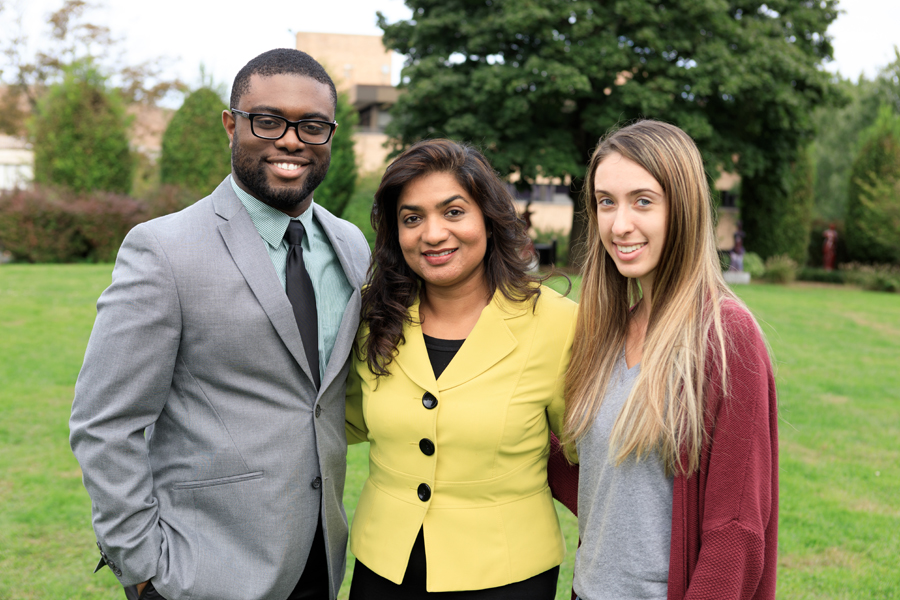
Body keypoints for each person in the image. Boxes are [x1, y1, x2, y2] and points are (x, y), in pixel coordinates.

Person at [69, 48, 370, 600]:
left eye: (312, 126)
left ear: (329, 135)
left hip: (320, 561)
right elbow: (104, 423)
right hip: (199, 572)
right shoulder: (163, 249)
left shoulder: (351, 245)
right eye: (268, 120)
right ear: (232, 125)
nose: (290, 139)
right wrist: (141, 569)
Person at [552, 120, 778, 600]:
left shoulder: (725, 337)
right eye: (605, 202)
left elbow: (734, 532)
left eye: (643, 201)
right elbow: (605, 484)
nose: (619, 224)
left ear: (684, 208)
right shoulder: (608, 331)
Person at [344, 139, 577, 599]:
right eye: (412, 218)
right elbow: (341, 420)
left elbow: (591, 452)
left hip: (507, 575)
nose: (432, 234)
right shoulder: (373, 316)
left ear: (488, 218)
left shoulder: (559, 323)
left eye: (453, 212)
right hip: (384, 569)